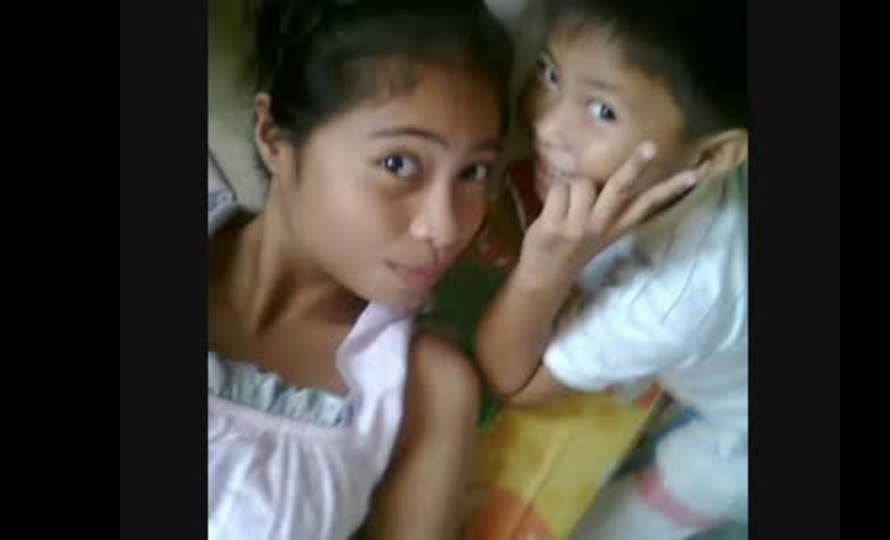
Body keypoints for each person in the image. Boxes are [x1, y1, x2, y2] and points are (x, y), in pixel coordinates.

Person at [207, 1, 513, 538]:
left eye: (474, 172)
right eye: (398, 163)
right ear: (274, 136)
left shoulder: (426, 390)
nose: (445, 229)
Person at [475, 0, 748, 538]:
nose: (547, 125)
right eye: (550, 73)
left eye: (603, 111)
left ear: (713, 156)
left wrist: (543, 271)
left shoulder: (676, 295)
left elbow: (514, 379)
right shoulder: (681, 162)